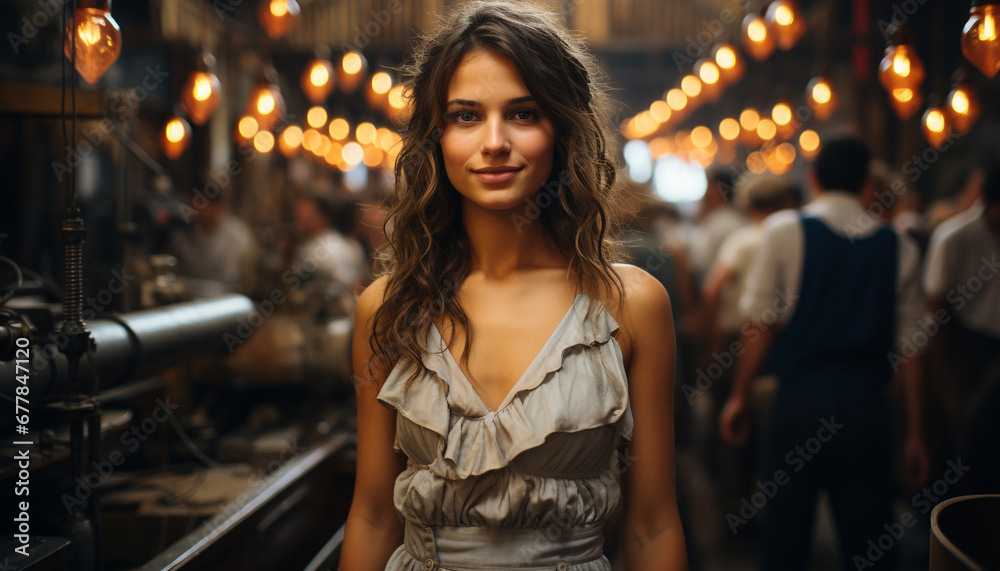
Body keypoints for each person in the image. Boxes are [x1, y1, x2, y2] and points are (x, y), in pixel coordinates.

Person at [339, 2, 687, 570]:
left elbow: (651, 526)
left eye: (523, 114)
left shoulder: (632, 306)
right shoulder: (387, 307)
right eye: (465, 116)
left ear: (562, 130)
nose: (495, 141)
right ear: (435, 138)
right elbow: (375, 515)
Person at [718, 137, 930, 570]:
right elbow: (912, 347)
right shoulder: (899, 246)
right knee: (870, 541)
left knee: (784, 538)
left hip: (797, 406)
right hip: (867, 412)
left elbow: (758, 325)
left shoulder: (784, 230)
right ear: (867, 184)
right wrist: (916, 432)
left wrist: (739, 395)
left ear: (813, 179)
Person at [923, 161, 1000, 494]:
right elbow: (934, 305)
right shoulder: (954, 236)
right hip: (963, 345)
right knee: (964, 433)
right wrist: (937, 370)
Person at [168, 184, 256, 297]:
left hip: (224, 300)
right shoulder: (182, 234)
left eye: (203, 203)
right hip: (186, 300)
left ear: (219, 207)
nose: (198, 209)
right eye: (194, 203)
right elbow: (176, 274)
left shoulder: (237, 237)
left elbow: (232, 282)